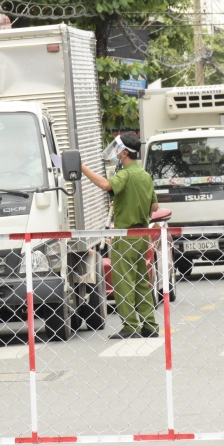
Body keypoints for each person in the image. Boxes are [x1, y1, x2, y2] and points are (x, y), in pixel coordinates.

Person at [80, 132, 160, 339]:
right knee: (142, 281)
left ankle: (131, 326)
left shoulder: (125, 174)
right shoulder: (145, 175)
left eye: (117, 148)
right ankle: (150, 325)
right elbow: (154, 206)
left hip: (125, 237)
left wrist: (82, 167)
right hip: (143, 236)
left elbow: (106, 185)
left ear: (125, 152)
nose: (115, 152)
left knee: (123, 281)